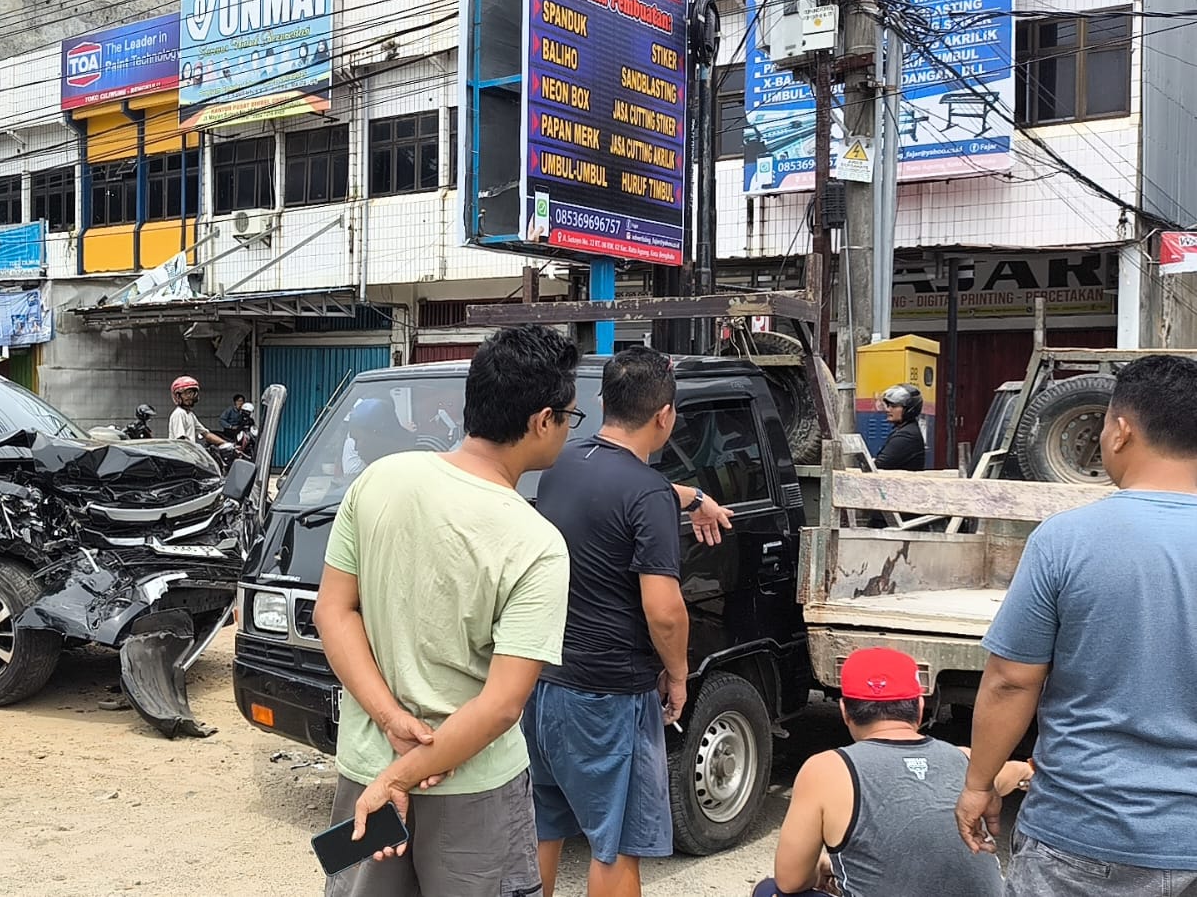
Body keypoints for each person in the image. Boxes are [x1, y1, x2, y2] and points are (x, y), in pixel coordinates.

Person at [314, 325, 580, 897]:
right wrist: (404, 776)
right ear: (542, 421)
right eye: (569, 418)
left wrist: (388, 727)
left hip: (365, 772)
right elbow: (504, 704)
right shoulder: (535, 543)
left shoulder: (378, 480)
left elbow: (332, 612)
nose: (566, 430)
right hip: (475, 788)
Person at [957, 354, 1197, 895]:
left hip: (1084, 836)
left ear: (1120, 431)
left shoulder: (1067, 540)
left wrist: (979, 785)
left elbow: (1012, 679)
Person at [526, 347, 736, 897]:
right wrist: (680, 675)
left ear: (602, 403)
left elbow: (630, 495)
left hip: (543, 684)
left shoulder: (566, 463)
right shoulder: (644, 492)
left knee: (543, 825)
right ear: (664, 416)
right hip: (609, 696)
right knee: (614, 841)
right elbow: (664, 610)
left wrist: (694, 499)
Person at [755, 647, 1027, 897]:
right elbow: (1010, 774)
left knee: (769, 891)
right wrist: (1029, 770)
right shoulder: (966, 761)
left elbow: (791, 880)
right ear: (920, 708)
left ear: (845, 712)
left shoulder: (826, 770)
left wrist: (825, 871)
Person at [340, 398, 418, 478]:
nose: (356, 448)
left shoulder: (422, 452)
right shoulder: (374, 475)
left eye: (359, 440)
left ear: (378, 434)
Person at [167, 376, 232, 451]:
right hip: (181, 455)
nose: (189, 397)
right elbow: (181, 441)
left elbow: (205, 434)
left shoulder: (190, 415)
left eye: (191, 393)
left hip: (189, 455)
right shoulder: (179, 414)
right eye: (186, 394)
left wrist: (226, 444)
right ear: (178, 396)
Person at [873, 384, 925, 471]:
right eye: (888, 405)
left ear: (909, 409)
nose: (888, 410)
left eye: (894, 406)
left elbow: (880, 464)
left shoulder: (906, 435)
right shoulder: (906, 429)